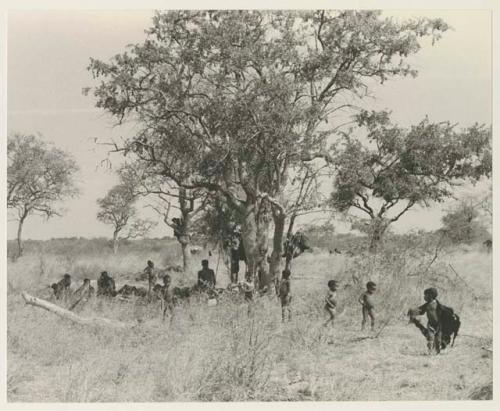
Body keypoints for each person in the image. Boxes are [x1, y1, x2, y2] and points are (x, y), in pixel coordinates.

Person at [407, 287, 442, 354]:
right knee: (430, 339)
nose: (424, 297)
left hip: (439, 325)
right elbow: (421, 311)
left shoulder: (437, 305)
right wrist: (412, 311)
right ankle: (430, 352)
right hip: (431, 324)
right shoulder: (427, 305)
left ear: (431, 295)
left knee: (438, 340)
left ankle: (437, 352)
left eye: (425, 295)